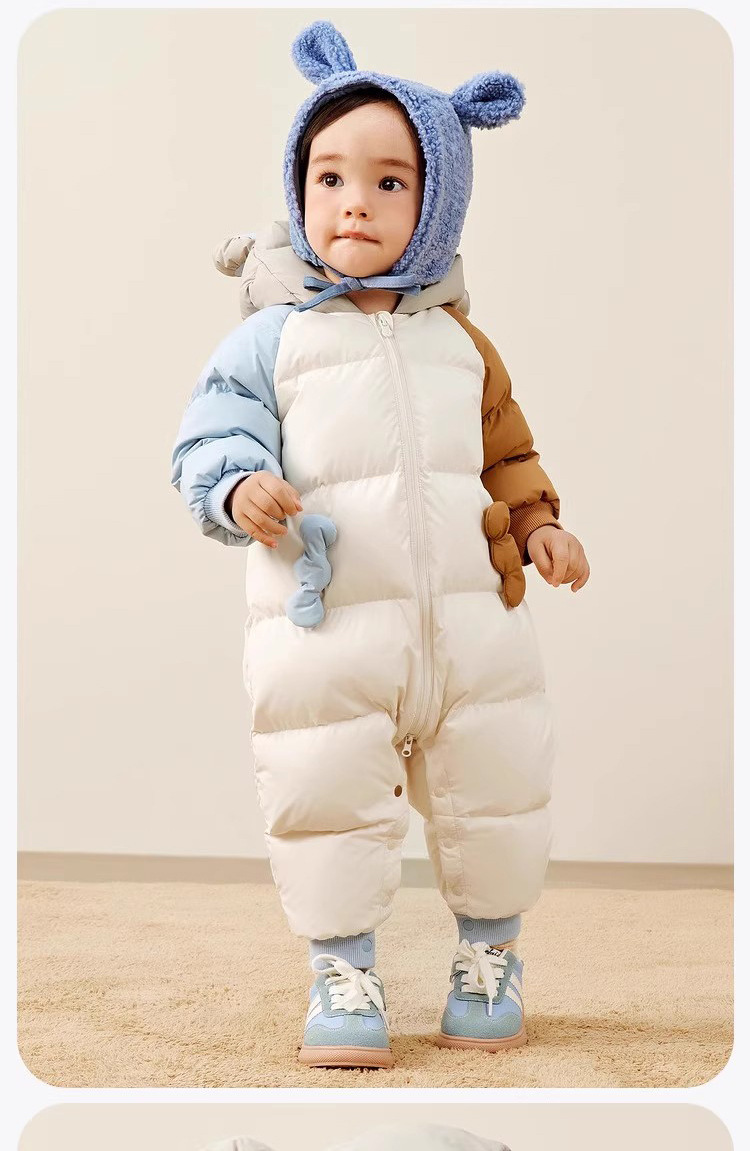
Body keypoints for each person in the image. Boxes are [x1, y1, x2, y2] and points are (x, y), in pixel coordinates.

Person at [171, 18, 590, 1070]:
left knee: (498, 783)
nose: (353, 201)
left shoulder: (462, 344)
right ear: (300, 187)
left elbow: (508, 450)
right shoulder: (272, 336)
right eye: (330, 177)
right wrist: (237, 485)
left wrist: (540, 523)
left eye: (389, 182)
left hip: (472, 624)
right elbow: (212, 432)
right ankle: (343, 969)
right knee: (325, 794)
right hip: (325, 626)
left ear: (436, 203)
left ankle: (489, 956)